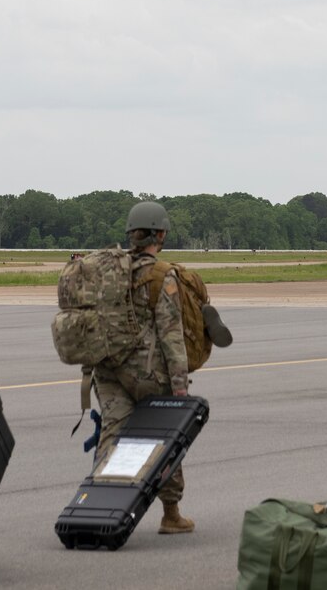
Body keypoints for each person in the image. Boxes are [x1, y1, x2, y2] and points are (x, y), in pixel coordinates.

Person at [89, 199, 196, 535]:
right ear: (160, 234)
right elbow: (171, 336)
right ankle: (171, 512)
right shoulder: (162, 276)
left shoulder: (108, 272)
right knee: (166, 439)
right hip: (149, 374)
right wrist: (180, 387)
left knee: (111, 437)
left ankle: (98, 507)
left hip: (108, 371)